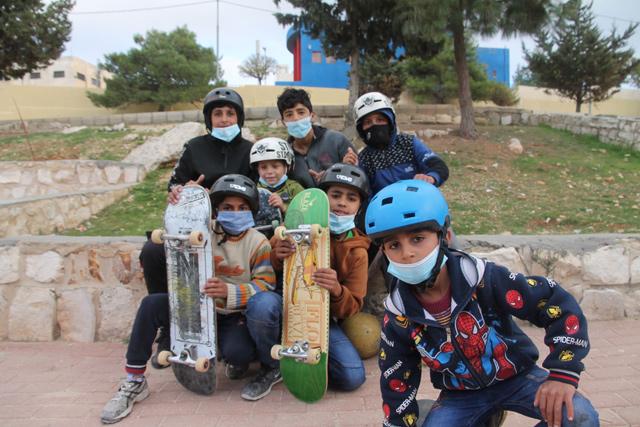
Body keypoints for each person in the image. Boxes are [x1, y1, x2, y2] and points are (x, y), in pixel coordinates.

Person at [365, 180, 599, 427]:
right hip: (460, 396)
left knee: (578, 418)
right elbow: (396, 373)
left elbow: (555, 305)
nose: (407, 253)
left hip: (518, 377)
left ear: (445, 236)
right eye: (394, 245)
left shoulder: (484, 280)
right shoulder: (399, 313)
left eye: (418, 238)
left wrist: (562, 374)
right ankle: (484, 418)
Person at [100, 175, 276, 424]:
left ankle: (225, 352)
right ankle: (134, 380)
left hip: (230, 314)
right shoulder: (201, 230)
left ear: (252, 211)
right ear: (216, 210)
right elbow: (178, 226)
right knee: (151, 305)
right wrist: (181, 200)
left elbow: (266, 284)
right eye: (227, 208)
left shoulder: (258, 242)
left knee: (239, 354)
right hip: (194, 308)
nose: (235, 213)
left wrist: (230, 292)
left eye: (242, 208)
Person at [244, 163, 372, 400]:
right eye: (335, 195)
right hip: (282, 304)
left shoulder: (357, 251)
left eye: (351, 198)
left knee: (353, 376)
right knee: (262, 305)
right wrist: (276, 256)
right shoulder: (292, 227)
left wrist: (336, 289)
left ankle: (295, 355)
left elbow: (354, 305)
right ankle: (270, 365)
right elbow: (262, 273)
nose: (342, 203)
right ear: (323, 197)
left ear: (359, 206)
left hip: (317, 318)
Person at [140, 87, 254, 296]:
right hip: (194, 226)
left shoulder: (252, 150)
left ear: (240, 117)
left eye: (230, 113)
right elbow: (175, 185)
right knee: (152, 251)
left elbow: (258, 191)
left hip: (236, 226)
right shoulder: (193, 148)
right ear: (209, 119)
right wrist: (182, 192)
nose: (224, 119)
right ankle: (168, 315)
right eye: (217, 114)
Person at [354, 92, 449, 197]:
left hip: (418, 204)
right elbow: (359, 195)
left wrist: (431, 177)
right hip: (383, 211)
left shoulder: (408, 143)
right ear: (361, 129)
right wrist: (348, 168)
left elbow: (438, 166)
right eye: (368, 122)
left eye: (380, 120)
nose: (375, 125)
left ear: (390, 121)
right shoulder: (364, 159)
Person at [277, 88, 358, 188]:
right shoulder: (284, 154)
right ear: (283, 121)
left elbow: (358, 177)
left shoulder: (336, 140)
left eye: (301, 112)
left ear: (312, 115)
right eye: (289, 114)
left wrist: (342, 170)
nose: (296, 118)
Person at [250, 137, 305, 216]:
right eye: (263, 167)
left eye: (275, 166)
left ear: (287, 167)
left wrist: (284, 207)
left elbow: (305, 213)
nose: (269, 172)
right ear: (257, 169)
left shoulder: (295, 188)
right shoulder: (254, 191)